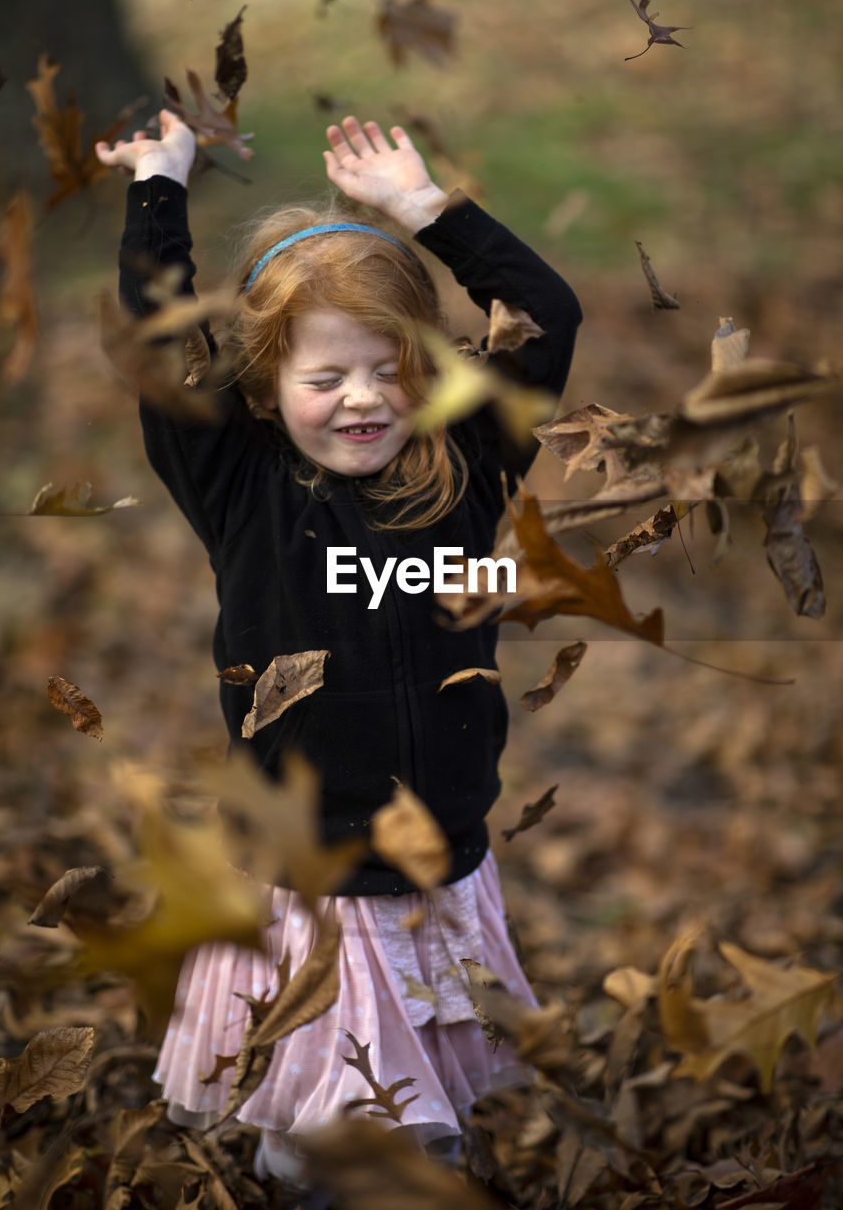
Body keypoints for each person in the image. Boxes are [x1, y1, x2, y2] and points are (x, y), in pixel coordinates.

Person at [96, 109, 582, 1197]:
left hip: (435, 866)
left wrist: (426, 213)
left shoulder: (469, 461)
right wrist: (160, 185)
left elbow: (543, 314)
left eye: (388, 369)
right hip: (311, 886)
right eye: (326, 379)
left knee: (426, 1126)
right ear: (265, 389)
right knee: (329, 1136)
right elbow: (160, 347)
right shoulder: (243, 487)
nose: (362, 398)